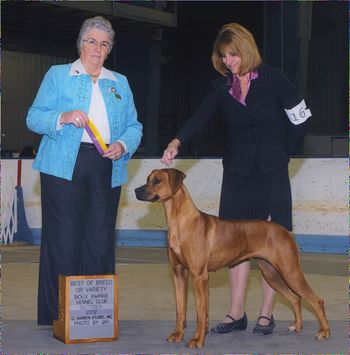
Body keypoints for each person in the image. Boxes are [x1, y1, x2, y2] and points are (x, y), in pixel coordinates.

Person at [161, 23, 310, 335]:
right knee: (234, 246)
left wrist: (284, 154)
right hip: (238, 175)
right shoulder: (221, 89)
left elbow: (301, 119)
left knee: (270, 247)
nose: (228, 61)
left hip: (272, 174)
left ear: (246, 49)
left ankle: (266, 314)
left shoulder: (274, 79)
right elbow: (199, 119)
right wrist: (177, 141)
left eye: (233, 54)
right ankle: (235, 313)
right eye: (223, 56)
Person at [26, 16, 143, 326]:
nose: (97, 48)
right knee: (63, 240)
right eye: (91, 41)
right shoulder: (58, 75)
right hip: (62, 167)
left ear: (109, 50)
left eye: (104, 44)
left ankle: (95, 316)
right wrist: (62, 116)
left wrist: (123, 144)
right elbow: (34, 117)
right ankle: (58, 315)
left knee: (100, 238)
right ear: (80, 44)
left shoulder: (120, 82)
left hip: (107, 165)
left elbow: (135, 125)